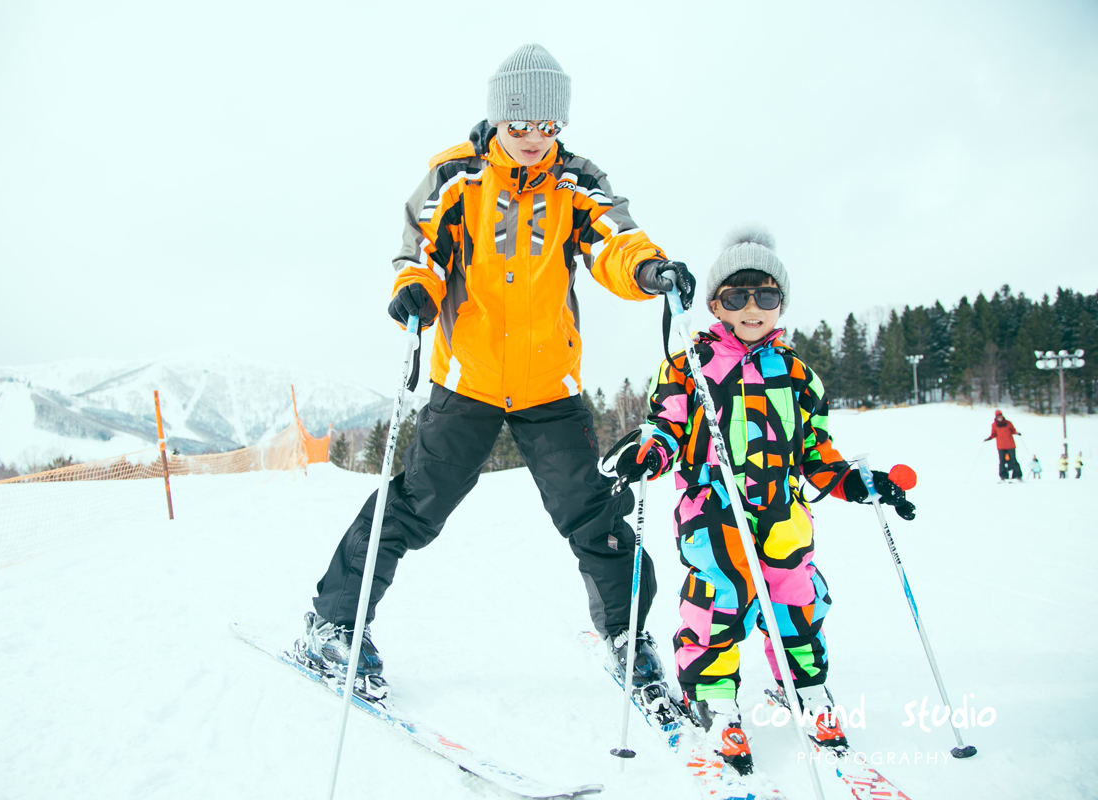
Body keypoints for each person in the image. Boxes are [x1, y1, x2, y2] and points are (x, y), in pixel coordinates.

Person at [299, 44, 699, 697]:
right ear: (498, 119)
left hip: (550, 385)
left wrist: (649, 270)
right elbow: (420, 244)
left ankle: (626, 634)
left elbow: (614, 241)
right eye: (521, 126)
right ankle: (333, 622)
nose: (536, 140)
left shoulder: (575, 181)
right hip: (469, 381)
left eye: (549, 127)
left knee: (590, 515)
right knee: (414, 507)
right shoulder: (457, 177)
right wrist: (416, 288)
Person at [600, 228, 916, 775]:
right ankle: (716, 703)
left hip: (783, 515)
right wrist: (647, 453)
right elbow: (668, 425)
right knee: (716, 604)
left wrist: (861, 483)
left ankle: (808, 690)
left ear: (781, 303)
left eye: (765, 296)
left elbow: (817, 455)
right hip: (714, 514)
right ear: (716, 303)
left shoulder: (798, 375)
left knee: (798, 604)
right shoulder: (691, 364)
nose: (752, 308)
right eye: (736, 296)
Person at [984, 410, 1023, 481]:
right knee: (1002, 461)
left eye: (1001, 416)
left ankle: (1017, 475)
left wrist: (1017, 433)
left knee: (1013, 460)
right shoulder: (994, 425)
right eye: (998, 417)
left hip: (1010, 445)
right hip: (1001, 446)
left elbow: (1013, 430)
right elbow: (993, 434)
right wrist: (989, 438)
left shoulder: (1008, 423)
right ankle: (1003, 476)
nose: (1000, 418)